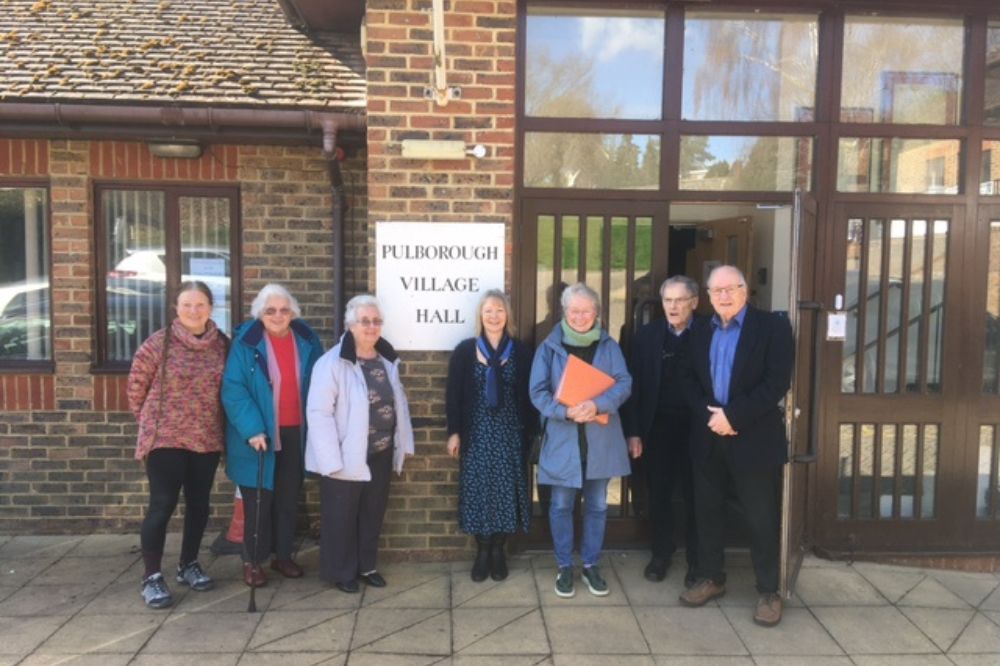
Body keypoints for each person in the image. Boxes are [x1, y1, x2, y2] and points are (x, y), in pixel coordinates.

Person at [679, 265, 793, 627]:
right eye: (717, 290)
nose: (724, 296)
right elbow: (686, 379)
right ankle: (712, 577)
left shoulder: (772, 328)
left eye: (732, 288)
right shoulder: (697, 330)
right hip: (708, 436)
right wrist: (711, 415)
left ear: (746, 291)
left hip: (754, 439)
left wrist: (734, 417)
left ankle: (768, 591)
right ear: (708, 296)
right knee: (708, 511)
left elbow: (776, 382)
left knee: (761, 517)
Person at [529, 282, 637, 599]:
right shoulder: (548, 347)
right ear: (564, 312)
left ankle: (590, 564)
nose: (579, 316)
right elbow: (537, 392)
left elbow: (624, 382)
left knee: (598, 506)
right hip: (564, 439)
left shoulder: (609, 345)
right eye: (573, 311)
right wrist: (564, 412)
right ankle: (564, 565)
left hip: (599, 440)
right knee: (561, 506)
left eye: (586, 311)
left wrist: (598, 405)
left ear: (597, 313)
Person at [127, 281, 228, 609]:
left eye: (200, 305)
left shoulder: (223, 345)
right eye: (187, 305)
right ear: (176, 308)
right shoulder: (159, 343)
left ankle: (188, 564)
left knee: (199, 503)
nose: (193, 311)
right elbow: (136, 388)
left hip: (206, 437)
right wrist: (155, 421)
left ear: (211, 308)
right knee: (162, 504)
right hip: (165, 437)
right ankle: (152, 577)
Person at [306, 295, 414, 593]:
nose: (371, 326)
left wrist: (403, 442)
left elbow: (398, 404)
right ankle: (341, 572)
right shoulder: (331, 363)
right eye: (364, 321)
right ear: (350, 325)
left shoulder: (387, 360)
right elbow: (319, 413)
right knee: (340, 518)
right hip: (344, 455)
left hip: (378, 452)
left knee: (371, 513)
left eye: (376, 321)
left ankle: (367, 566)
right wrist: (331, 461)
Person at [222, 284, 324, 587]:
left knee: (288, 497)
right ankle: (252, 561)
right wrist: (252, 428)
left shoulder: (307, 339)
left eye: (283, 310)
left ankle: (283, 556)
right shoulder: (246, 343)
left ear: (292, 312)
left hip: (296, 432)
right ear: (260, 314)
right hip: (259, 435)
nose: (278, 316)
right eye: (270, 311)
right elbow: (234, 389)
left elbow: (320, 380)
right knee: (258, 500)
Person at [446, 289, 537, 582]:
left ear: (507, 314)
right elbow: (453, 396)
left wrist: (532, 433)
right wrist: (454, 432)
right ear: (480, 316)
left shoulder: (521, 352)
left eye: (499, 310)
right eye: (488, 311)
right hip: (477, 434)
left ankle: (499, 549)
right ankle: (482, 550)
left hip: (510, 434)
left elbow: (531, 396)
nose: (494, 316)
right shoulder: (464, 351)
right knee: (479, 490)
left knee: (506, 491)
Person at [622, 275, 700, 586]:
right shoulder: (647, 336)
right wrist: (634, 431)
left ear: (694, 302)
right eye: (668, 300)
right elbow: (634, 387)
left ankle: (698, 561)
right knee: (660, 495)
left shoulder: (709, 333)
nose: (673, 306)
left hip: (698, 429)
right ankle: (661, 554)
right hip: (658, 428)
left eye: (680, 300)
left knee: (698, 497)